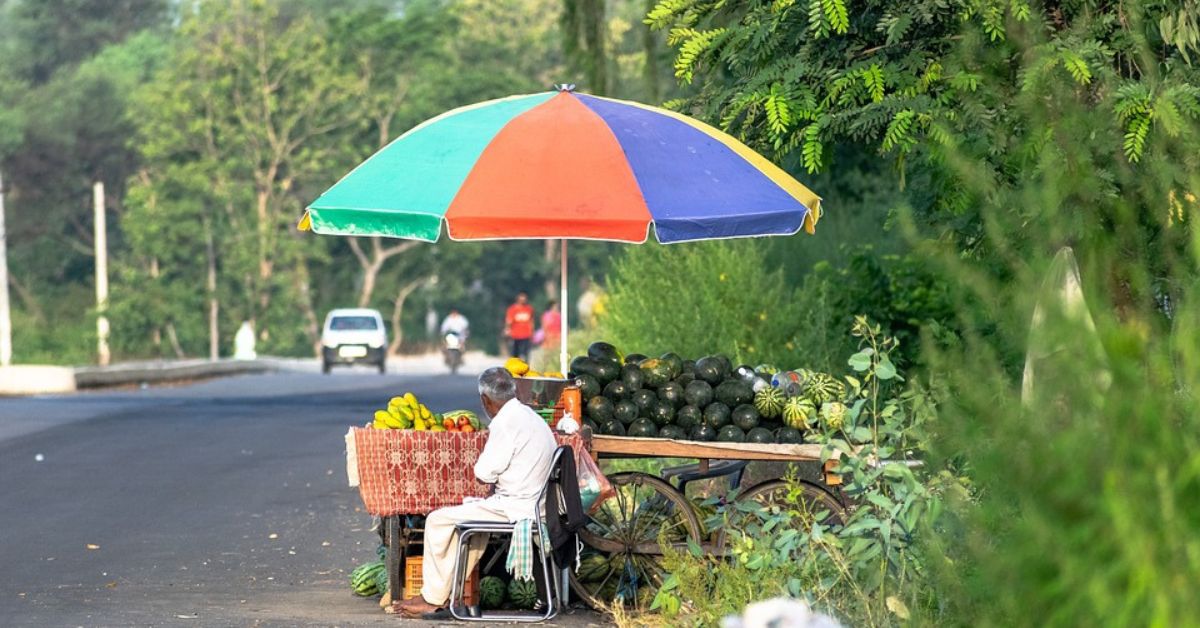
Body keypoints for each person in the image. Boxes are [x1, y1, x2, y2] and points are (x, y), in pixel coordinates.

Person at [396, 368, 557, 618]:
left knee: (437, 520)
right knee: (470, 526)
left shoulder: (505, 423)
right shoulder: (528, 415)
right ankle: (445, 594)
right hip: (536, 503)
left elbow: (484, 473)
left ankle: (431, 599)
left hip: (517, 507)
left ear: (485, 400)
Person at [504, 292, 535, 362]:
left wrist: (532, 332)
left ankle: (525, 366)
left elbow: (531, 321)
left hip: (526, 334)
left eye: (524, 300)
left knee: (525, 354)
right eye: (521, 300)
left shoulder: (529, 309)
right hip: (515, 335)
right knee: (515, 354)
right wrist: (507, 330)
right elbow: (508, 321)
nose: (523, 301)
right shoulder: (512, 309)